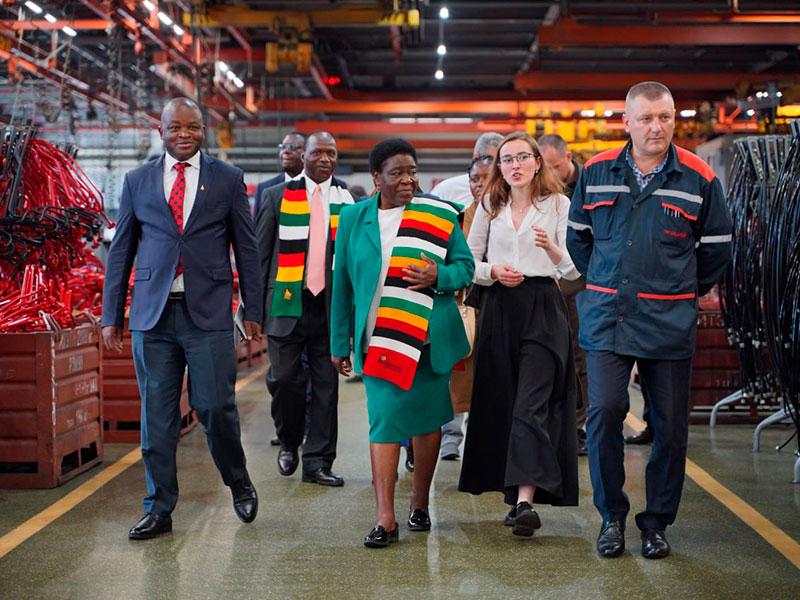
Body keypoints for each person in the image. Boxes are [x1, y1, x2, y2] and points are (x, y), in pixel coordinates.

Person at [567, 81, 732, 560]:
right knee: (604, 413)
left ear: (674, 119)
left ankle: (656, 522)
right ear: (627, 122)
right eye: (645, 118)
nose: (656, 127)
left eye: (665, 117)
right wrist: (606, 280)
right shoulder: (596, 171)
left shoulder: (699, 177)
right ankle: (611, 517)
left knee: (670, 427)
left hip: (668, 320)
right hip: (608, 316)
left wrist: (677, 290)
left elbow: (717, 249)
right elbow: (578, 239)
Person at [101, 97, 262, 540]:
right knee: (157, 417)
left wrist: (253, 309)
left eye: (192, 127)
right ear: (161, 131)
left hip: (208, 313)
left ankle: (238, 480)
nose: (184, 134)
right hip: (152, 316)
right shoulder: (137, 181)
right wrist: (111, 314)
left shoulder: (227, 179)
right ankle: (158, 508)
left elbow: (246, 249)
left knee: (215, 407)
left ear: (203, 130)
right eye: (175, 128)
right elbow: (121, 250)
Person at [330, 138, 474, 547]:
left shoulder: (438, 215)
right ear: (376, 178)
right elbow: (342, 285)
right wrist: (339, 342)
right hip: (379, 340)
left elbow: (465, 267)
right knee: (384, 422)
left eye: (412, 171)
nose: (407, 179)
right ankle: (385, 518)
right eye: (396, 173)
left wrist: (438, 276)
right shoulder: (353, 218)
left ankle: (419, 503)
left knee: (428, 424)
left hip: (426, 338)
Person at [459, 131, 580, 538]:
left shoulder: (559, 204)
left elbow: (573, 270)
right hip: (499, 308)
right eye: (507, 159)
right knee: (504, 403)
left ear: (537, 162)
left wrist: (550, 249)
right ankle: (515, 497)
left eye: (522, 157)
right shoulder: (489, 205)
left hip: (543, 307)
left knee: (531, 404)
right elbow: (468, 263)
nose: (515, 165)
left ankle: (526, 500)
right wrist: (492, 270)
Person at [256, 131, 354, 486]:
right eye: (318, 153)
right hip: (285, 305)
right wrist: (253, 311)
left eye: (332, 153)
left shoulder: (349, 202)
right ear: (303, 156)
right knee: (285, 380)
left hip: (328, 307)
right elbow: (259, 255)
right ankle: (289, 441)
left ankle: (318, 462)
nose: (325, 159)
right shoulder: (276, 196)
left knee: (327, 387)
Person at [538, 134, 589, 456]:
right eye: (545, 167)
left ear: (568, 157)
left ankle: (578, 426)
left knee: (579, 353)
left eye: (555, 166)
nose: (551, 174)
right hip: (548, 280)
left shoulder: (588, 184)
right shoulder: (538, 187)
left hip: (581, 280)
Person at [440, 156, 492, 461]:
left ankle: (484, 441)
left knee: (492, 376)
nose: (479, 185)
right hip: (462, 306)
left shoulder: (508, 217)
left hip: (497, 306)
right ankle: (451, 436)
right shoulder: (456, 219)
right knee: (458, 372)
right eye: (474, 179)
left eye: (486, 178)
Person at [431, 132, 503, 208]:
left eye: (504, 161)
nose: (500, 167)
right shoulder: (446, 190)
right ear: (476, 157)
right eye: (490, 160)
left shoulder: (509, 190)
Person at [253, 132, 305, 216]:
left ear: (307, 153)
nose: (286, 151)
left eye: (292, 147)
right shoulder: (263, 189)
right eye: (283, 147)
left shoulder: (316, 187)